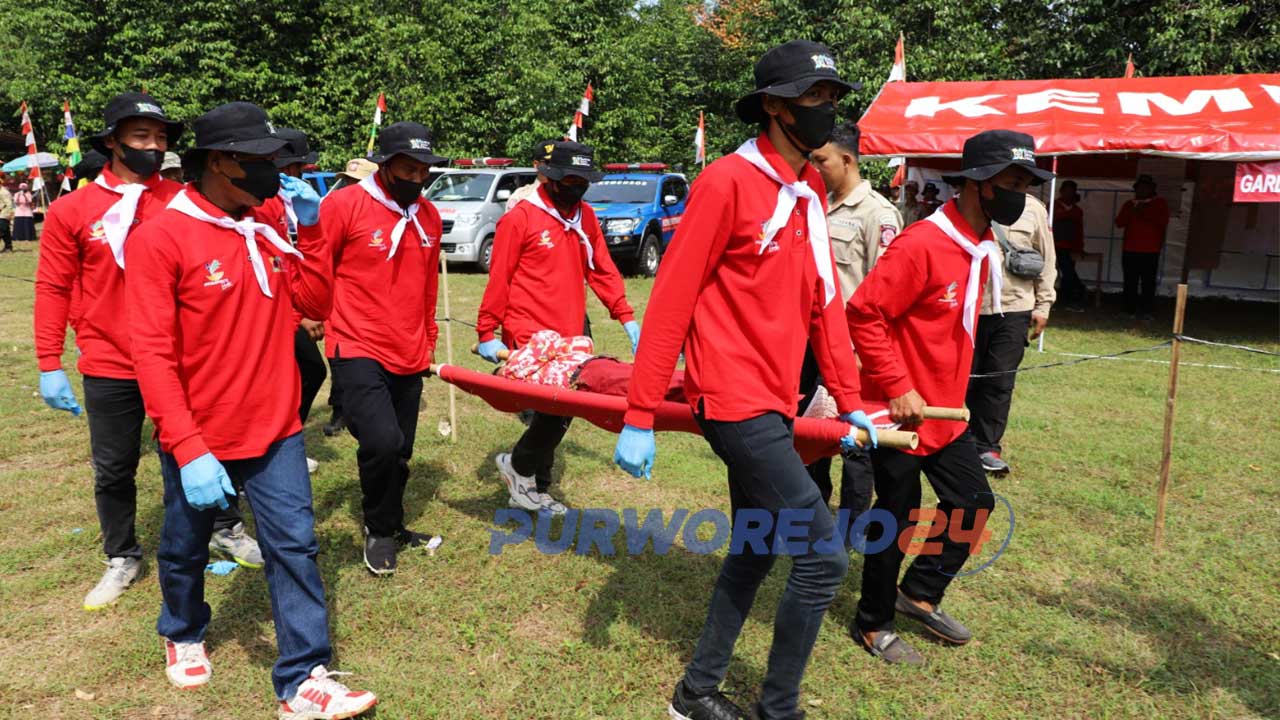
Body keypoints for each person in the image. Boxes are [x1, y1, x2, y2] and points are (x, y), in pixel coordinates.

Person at [614, 40, 879, 720]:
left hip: (777, 397)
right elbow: (671, 297)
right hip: (732, 400)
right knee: (823, 558)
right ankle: (778, 709)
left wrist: (848, 402)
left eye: (830, 98)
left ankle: (695, 694)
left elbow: (825, 303)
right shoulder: (727, 182)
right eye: (811, 97)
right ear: (773, 107)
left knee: (757, 548)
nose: (825, 109)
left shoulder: (809, 190)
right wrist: (641, 413)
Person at [126, 101, 377, 718]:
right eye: (262, 160)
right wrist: (186, 447)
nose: (275, 171)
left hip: (277, 426)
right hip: (201, 433)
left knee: (295, 544)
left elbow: (314, 302)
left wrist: (311, 232)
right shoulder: (161, 236)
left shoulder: (264, 223)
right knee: (184, 546)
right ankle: (182, 630)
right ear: (220, 162)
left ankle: (302, 675)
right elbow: (153, 356)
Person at [34, 92, 262, 612]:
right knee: (114, 467)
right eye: (141, 137)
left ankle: (224, 528)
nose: (153, 147)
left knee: (203, 450)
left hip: (185, 359)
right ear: (112, 141)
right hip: (111, 361)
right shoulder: (75, 210)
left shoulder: (184, 200)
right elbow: (52, 287)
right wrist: (50, 363)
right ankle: (121, 554)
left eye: (161, 138)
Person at [848, 129, 1053, 665]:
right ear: (979, 184)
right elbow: (864, 313)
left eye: (1028, 184)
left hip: (944, 410)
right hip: (898, 410)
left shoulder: (982, 245)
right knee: (897, 514)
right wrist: (898, 385)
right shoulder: (922, 244)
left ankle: (918, 592)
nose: (1022, 195)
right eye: (1013, 182)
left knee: (974, 503)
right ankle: (872, 623)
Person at [477, 140, 639, 515]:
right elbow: (498, 279)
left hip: (571, 333)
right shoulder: (520, 219)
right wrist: (486, 332)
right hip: (530, 333)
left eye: (583, 182)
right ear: (547, 177)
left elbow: (601, 269)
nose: (576, 188)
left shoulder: (585, 217)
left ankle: (525, 478)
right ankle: (524, 476)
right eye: (569, 181)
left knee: (561, 410)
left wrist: (626, 316)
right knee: (555, 411)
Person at [319, 121, 445, 576]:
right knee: (382, 441)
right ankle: (376, 529)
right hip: (356, 342)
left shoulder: (427, 216)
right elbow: (318, 266)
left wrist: (428, 340)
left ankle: (392, 524)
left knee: (401, 449)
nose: (415, 179)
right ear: (385, 165)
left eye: (422, 172)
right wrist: (311, 314)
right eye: (406, 169)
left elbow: (428, 285)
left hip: (409, 348)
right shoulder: (344, 205)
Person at [805, 119, 902, 514]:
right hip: (807, 345)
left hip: (849, 350)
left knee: (855, 443)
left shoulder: (879, 215)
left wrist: (864, 353)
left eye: (821, 160)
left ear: (847, 160)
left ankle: (850, 525)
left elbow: (885, 296)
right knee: (810, 435)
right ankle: (810, 514)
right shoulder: (813, 204)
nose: (814, 168)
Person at [968, 194, 1056, 476]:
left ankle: (986, 447)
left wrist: (1043, 304)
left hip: (1015, 306)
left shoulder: (1033, 209)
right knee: (962, 378)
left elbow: (1047, 257)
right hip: (968, 306)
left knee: (999, 380)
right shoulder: (967, 200)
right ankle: (955, 442)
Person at [273, 127, 326, 474]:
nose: (301, 175)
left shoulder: (292, 200)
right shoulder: (263, 203)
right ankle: (280, 444)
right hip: (274, 313)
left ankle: (287, 440)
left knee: (308, 371)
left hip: (290, 306)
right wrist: (297, 317)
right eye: (297, 169)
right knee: (304, 372)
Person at [321, 157, 379, 438]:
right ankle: (339, 410)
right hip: (337, 303)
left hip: (371, 308)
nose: (347, 186)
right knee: (338, 360)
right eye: (346, 180)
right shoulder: (334, 208)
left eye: (355, 182)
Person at [1115, 173, 1169, 319]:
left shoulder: (1160, 203)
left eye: (1146, 188)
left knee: (1148, 282)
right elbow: (1119, 223)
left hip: (1150, 250)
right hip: (1130, 249)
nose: (1142, 190)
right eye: (1140, 188)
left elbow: (1162, 222)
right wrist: (1133, 210)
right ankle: (1129, 310)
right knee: (1130, 281)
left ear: (1152, 189)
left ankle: (1147, 311)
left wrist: (1142, 212)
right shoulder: (1129, 204)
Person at [1052, 180, 1087, 309]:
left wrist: (1080, 247)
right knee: (1060, 272)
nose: (1069, 194)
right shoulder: (1053, 205)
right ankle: (1079, 290)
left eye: (1071, 191)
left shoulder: (1077, 210)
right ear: (1061, 192)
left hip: (1070, 246)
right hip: (1055, 245)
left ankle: (1066, 299)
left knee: (1067, 273)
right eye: (1066, 191)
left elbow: (1079, 230)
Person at [503, 138, 556, 212]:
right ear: (536, 164)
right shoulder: (521, 196)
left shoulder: (567, 196)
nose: (552, 167)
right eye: (547, 162)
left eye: (557, 163)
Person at [0, 179, 13, 252]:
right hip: (1, 214)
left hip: (4, 214)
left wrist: (8, 215)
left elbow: (9, 204)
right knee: (6, 232)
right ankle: (8, 247)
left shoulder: (4, 192)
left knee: (1, 230)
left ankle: (8, 247)